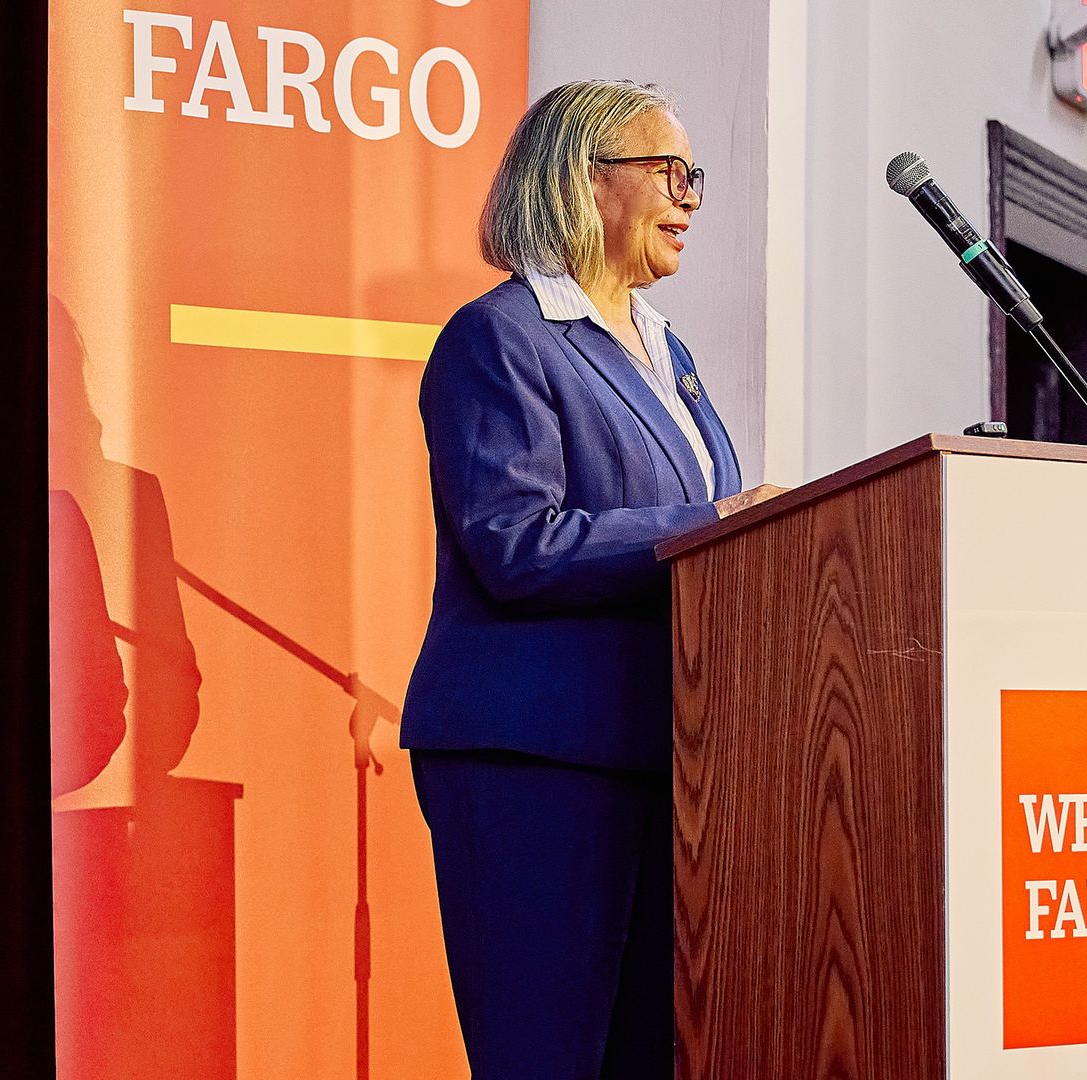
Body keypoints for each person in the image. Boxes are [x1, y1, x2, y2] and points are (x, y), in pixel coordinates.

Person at [401, 80, 785, 1079]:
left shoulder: (671, 354)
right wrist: (717, 524)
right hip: (537, 757)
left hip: (668, 756)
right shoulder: (501, 337)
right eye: (667, 170)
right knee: (548, 1055)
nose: (692, 195)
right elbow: (516, 543)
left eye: (694, 174)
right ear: (580, 180)